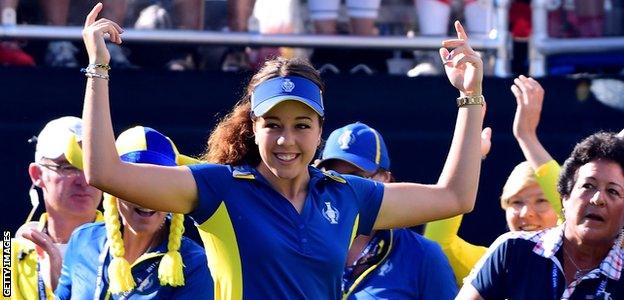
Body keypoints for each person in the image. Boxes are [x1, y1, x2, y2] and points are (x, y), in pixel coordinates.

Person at [80, 3, 484, 298]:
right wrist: (98, 68)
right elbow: (104, 173)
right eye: (272, 125)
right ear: (253, 128)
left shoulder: (347, 194)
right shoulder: (220, 187)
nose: (286, 140)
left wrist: (470, 98)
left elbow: (455, 196)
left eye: (301, 126)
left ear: (319, 130)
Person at [424, 75, 564, 286]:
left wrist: (526, 136)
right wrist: (471, 155)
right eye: (516, 202)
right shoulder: (494, 262)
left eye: (542, 201)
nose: (526, 213)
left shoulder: (582, 256)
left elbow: (571, 210)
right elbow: (438, 245)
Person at [458, 131, 624, 299]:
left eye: (613, 191)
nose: (598, 199)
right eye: (588, 186)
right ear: (564, 197)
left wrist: (526, 133)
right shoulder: (513, 250)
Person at [55, 126, 212, 299]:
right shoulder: (82, 240)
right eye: (133, 185)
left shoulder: (195, 263)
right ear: (111, 187)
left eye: (159, 185)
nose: (145, 198)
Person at [317, 122, 458, 299]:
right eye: (333, 176)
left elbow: (457, 197)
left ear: (385, 179)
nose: (345, 187)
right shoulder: (300, 242)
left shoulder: (423, 255)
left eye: (356, 177)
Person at [5, 116, 103, 299]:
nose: (84, 180)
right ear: (37, 174)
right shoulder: (7, 258)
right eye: (67, 167)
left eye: (91, 167)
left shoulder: (126, 248)